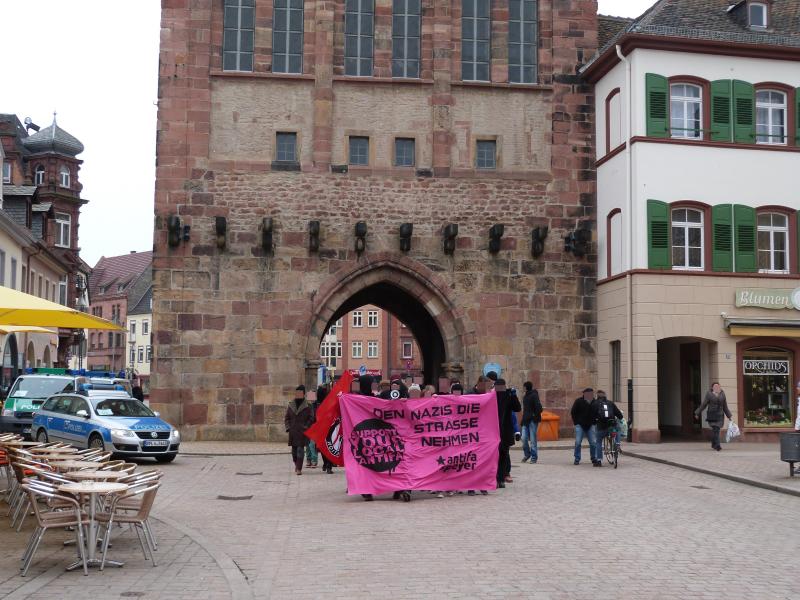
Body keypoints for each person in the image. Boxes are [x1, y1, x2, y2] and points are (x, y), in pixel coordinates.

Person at [495, 378, 521, 488]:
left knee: (503, 455)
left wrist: (514, 395)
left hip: (505, 431)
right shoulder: (492, 396)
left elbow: (517, 408)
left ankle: (500, 479)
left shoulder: (509, 396)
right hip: (494, 431)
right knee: (496, 456)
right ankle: (496, 478)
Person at [285, 385, 314, 475]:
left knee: (300, 450)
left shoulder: (308, 405)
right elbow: (287, 418)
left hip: (302, 431)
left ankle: (299, 468)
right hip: (293, 431)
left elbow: (311, 417)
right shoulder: (291, 404)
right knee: (294, 451)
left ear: (303, 394)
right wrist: (288, 427)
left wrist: (306, 426)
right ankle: (296, 463)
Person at [695, 382, 732, 451]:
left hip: (720, 415)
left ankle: (714, 444)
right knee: (715, 429)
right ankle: (718, 445)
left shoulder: (722, 394)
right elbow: (704, 404)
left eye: (718, 386)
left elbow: (725, 406)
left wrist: (729, 416)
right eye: (715, 386)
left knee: (716, 429)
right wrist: (697, 413)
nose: (717, 388)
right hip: (712, 415)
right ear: (712, 388)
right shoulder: (709, 394)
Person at [591, 390, 623, 467]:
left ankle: (599, 461)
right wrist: (619, 417)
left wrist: (594, 422)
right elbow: (620, 415)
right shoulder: (611, 403)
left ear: (597, 396)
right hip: (611, 426)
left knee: (598, 442)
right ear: (605, 396)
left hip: (601, 427)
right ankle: (618, 444)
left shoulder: (595, 404)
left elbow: (592, 416)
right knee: (617, 428)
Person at [571, 388, 598, 466]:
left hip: (591, 425)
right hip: (580, 425)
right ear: (584, 394)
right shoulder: (578, 401)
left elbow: (597, 412)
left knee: (593, 443)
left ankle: (594, 458)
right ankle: (577, 458)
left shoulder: (594, 402)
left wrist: (594, 422)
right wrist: (576, 423)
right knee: (578, 442)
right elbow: (573, 412)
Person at [520, 381, 542, 464]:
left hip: (532, 421)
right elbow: (525, 410)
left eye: (524, 387)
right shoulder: (525, 396)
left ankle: (534, 457)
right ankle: (527, 454)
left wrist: (533, 416)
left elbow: (539, 408)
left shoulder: (534, 395)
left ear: (526, 387)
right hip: (525, 420)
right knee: (523, 438)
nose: (523, 388)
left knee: (533, 439)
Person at [315, 384, 335, 474]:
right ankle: (328, 465)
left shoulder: (316, 404)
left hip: (320, 428)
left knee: (323, 447)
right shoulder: (329, 403)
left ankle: (325, 464)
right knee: (329, 446)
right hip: (329, 427)